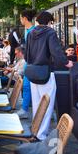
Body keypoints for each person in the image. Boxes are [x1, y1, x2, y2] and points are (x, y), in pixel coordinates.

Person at [25, 11, 73, 140]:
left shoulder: (30, 33)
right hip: (46, 72)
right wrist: (66, 62)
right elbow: (56, 51)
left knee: (36, 104)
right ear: (49, 22)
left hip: (32, 72)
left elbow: (26, 54)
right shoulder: (50, 32)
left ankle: (35, 131)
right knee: (47, 104)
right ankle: (41, 135)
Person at [17, 9, 37, 119]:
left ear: (24, 18)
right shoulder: (28, 30)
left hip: (31, 63)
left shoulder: (32, 31)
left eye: (21, 18)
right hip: (29, 62)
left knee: (28, 86)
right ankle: (25, 109)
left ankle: (26, 109)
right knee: (26, 86)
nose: (20, 20)